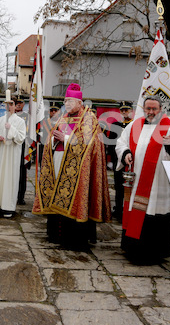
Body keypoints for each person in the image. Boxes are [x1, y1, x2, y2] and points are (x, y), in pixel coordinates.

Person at [33, 83, 110, 251]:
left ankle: (75, 239)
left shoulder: (89, 118)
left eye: (69, 101)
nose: (66, 104)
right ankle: (56, 235)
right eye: (65, 100)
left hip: (80, 169)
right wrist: (54, 140)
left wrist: (66, 138)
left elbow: (91, 144)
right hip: (58, 161)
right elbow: (51, 139)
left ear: (79, 102)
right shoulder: (63, 117)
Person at [115, 96, 170, 264]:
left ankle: (154, 252)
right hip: (136, 179)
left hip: (158, 183)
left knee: (154, 215)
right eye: (148, 109)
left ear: (161, 109)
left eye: (154, 109)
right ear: (144, 109)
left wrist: (169, 145)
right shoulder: (134, 125)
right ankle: (132, 248)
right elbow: (121, 142)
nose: (151, 112)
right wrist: (125, 154)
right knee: (136, 212)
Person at [0, 93, 26, 218]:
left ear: (16, 106)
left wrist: (11, 129)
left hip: (12, 154)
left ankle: (8, 207)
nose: (9, 106)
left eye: (11, 104)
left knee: (10, 178)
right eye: (7, 104)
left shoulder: (20, 121)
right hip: (1, 153)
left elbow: (21, 138)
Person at [109, 101, 133, 221]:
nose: (124, 112)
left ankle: (129, 210)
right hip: (117, 160)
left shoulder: (134, 124)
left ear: (131, 110)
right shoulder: (116, 125)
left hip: (130, 160)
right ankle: (118, 209)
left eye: (126, 110)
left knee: (130, 186)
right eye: (122, 110)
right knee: (118, 186)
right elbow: (111, 143)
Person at [14, 97, 29, 205]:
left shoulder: (28, 117)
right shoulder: (10, 116)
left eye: (21, 103)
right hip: (12, 146)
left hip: (24, 146)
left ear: (24, 104)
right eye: (17, 103)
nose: (19, 105)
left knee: (22, 174)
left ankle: (20, 197)